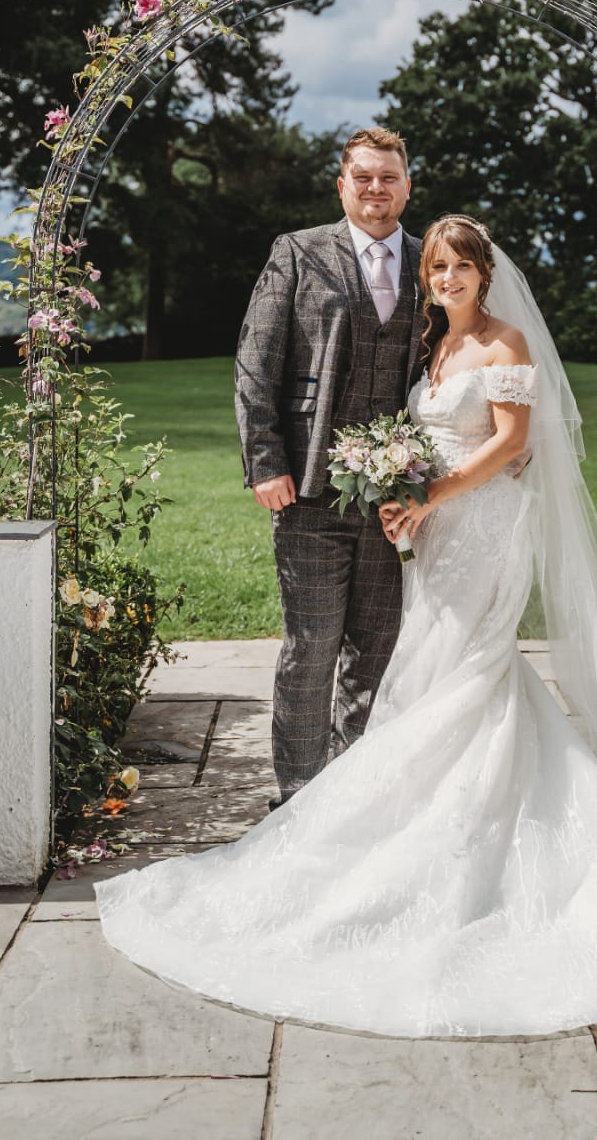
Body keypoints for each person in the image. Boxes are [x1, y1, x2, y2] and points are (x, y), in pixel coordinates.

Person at [97, 214, 597, 1037]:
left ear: (484, 273)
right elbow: (425, 439)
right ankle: (432, 819)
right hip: (439, 533)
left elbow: (512, 444)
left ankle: (467, 840)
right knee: (441, 666)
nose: (447, 279)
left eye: (461, 267)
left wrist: (430, 497)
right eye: (437, 269)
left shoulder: (506, 345)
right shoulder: (435, 347)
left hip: (484, 529)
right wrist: (407, 504)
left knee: (468, 668)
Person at [232, 127, 428, 809]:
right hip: (309, 488)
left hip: (396, 497)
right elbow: (256, 363)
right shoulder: (298, 252)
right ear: (342, 184)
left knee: (378, 651)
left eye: (389, 177)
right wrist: (265, 463)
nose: (377, 189)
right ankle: (295, 798)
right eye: (364, 177)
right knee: (310, 648)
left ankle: (352, 800)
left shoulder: (432, 260)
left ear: (408, 185)